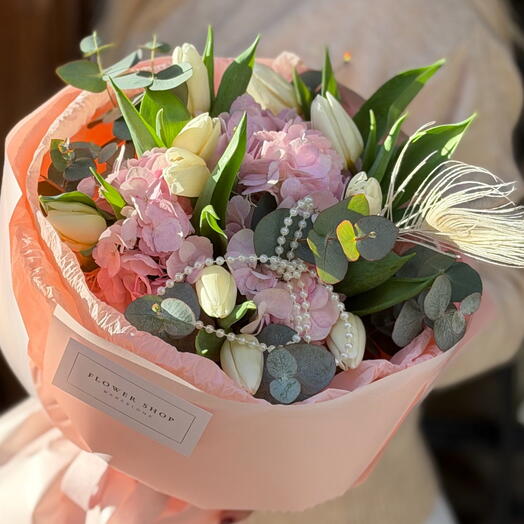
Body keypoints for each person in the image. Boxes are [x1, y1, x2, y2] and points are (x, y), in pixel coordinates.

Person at [1, 0, 523, 522]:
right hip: (85, 455)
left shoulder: (441, 23)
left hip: (338, 504)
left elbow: (507, 283)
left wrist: (367, 363)